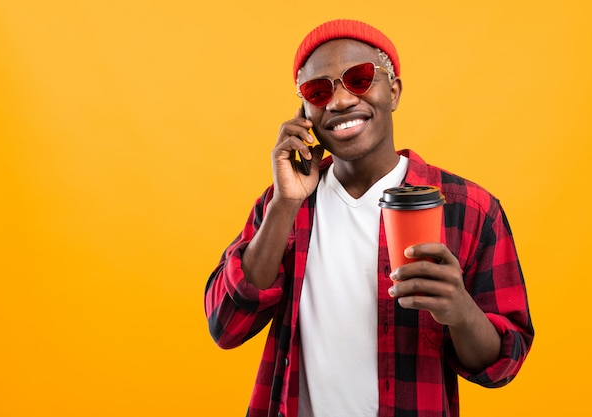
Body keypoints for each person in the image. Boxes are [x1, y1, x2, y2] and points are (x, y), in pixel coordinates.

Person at [204, 19, 534, 417]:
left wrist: (460, 311)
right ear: (305, 110)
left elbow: (502, 365)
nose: (340, 101)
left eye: (359, 79)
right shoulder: (283, 205)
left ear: (392, 91)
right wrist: (284, 204)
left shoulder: (469, 209)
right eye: (318, 91)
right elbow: (226, 326)